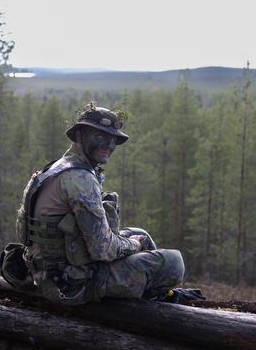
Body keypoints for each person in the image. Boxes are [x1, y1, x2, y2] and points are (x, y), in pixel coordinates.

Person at [14, 103, 198, 305]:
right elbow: (103, 250)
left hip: (50, 272)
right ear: (79, 135)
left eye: (112, 139)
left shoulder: (55, 168)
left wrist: (132, 242)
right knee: (173, 262)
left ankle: (156, 295)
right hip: (71, 285)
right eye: (100, 136)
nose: (109, 145)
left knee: (141, 234)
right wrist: (133, 244)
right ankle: (154, 299)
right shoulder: (80, 177)